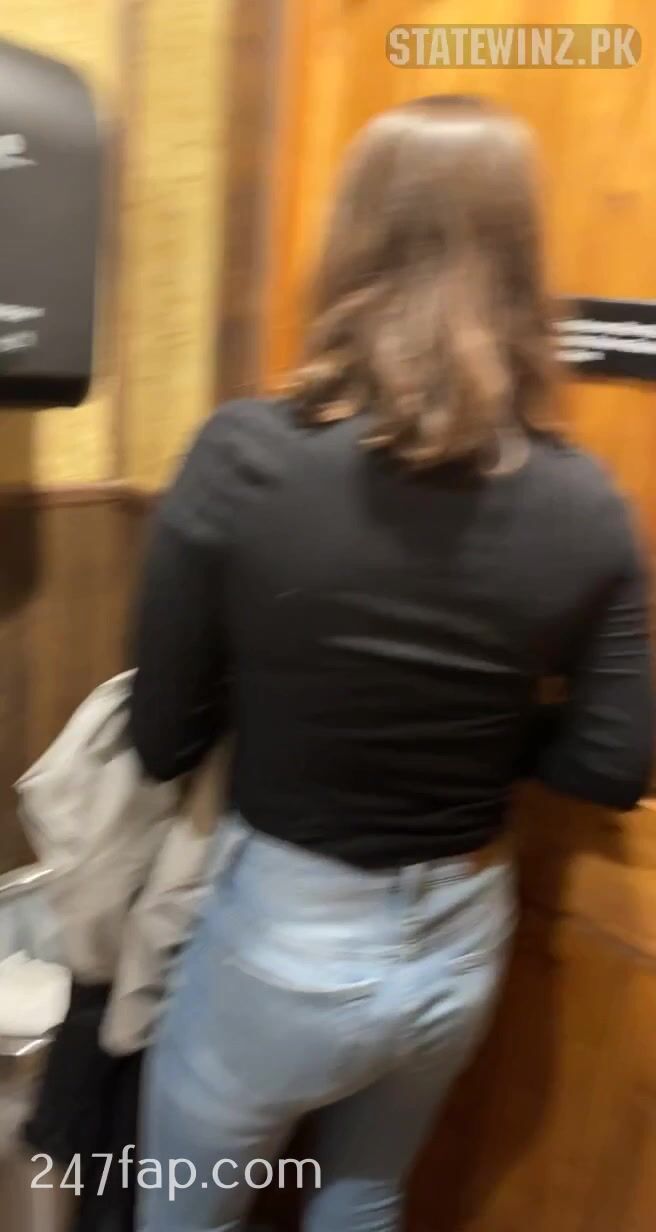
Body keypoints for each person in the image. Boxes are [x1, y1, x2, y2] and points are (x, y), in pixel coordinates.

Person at [130, 95, 653, 1232]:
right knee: (364, 1199)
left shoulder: (245, 458)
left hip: (283, 937)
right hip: (462, 936)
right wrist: (483, 728)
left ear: (353, 247)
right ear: (521, 265)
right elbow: (612, 763)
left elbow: (161, 737)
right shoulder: (587, 504)